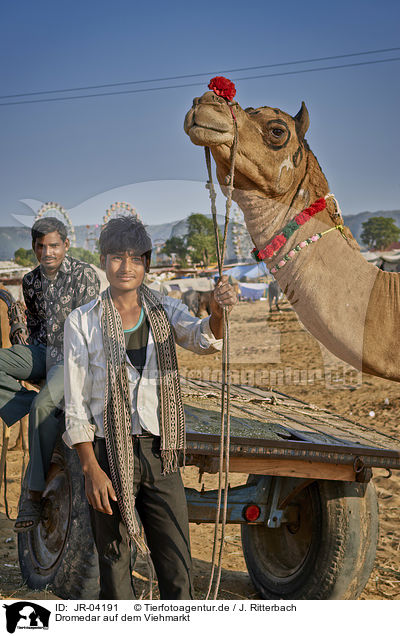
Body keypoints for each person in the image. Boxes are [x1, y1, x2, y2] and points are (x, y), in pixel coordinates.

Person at [63, 215, 237, 600]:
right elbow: (75, 403)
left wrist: (220, 312)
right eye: (116, 257)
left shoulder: (164, 310)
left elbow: (203, 338)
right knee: (114, 563)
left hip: (161, 454)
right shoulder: (82, 322)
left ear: (147, 263)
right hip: (108, 453)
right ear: (103, 261)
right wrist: (90, 468)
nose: (126, 267)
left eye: (135, 258)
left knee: (177, 565)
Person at [0, 217, 100, 531]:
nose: (48, 252)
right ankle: (25, 402)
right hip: (44, 353)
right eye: (41, 246)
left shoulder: (84, 275)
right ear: (34, 248)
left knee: (43, 406)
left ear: (65, 245)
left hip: (73, 357)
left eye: (54, 245)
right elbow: (35, 327)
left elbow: (90, 329)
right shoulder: (29, 281)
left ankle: (30, 496)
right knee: (34, 399)